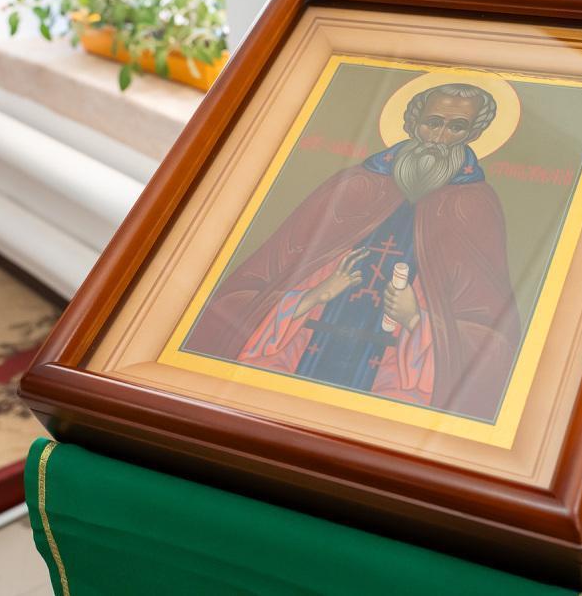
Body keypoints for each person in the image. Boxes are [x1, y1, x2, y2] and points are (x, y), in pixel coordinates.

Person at [184, 83, 521, 421]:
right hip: (297, 357)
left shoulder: (473, 207)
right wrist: (312, 296)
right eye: (433, 122)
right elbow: (251, 287)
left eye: (457, 127)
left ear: (473, 133)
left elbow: (491, 337)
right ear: (414, 123)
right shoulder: (354, 186)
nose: (439, 137)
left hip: (389, 389)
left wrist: (416, 320)